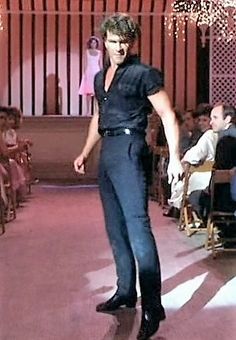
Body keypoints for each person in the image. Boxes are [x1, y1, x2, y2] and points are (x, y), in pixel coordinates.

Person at [74, 13, 183, 340]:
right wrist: (84, 151)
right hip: (109, 150)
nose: (119, 47)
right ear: (104, 41)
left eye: (124, 41)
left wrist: (175, 157)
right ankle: (125, 291)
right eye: (113, 41)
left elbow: (167, 114)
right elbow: (98, 116)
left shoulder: (143, 74)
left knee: (138, 226)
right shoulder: (100, 77)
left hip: (131, 147)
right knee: (115, 227)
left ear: (131, 43)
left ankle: (152, 305)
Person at [78, 36, 103, 116]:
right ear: (90, 44)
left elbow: (100, 64)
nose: (93, 44)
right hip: (89, 72)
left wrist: (102, 74)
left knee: (96, 92)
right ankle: (88, 111)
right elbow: (85, 63)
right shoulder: (87, 52)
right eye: (92, 43)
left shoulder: (99, 53)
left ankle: (96, 110)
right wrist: (84, 73)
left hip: (96, 71)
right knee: (88, 92)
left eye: (95, 43)